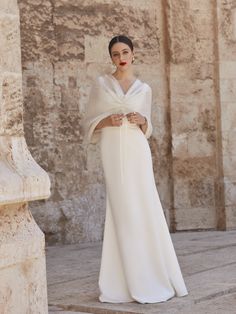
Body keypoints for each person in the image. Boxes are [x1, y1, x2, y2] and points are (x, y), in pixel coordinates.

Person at [83, 35, 188, 304]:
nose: (121, 58)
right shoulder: (101, 84)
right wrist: (107, 119)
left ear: (133, 54)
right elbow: (89, 122)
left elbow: (147, 125)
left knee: (143, 205)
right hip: (111, 149)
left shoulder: (144, 88)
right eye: (116, 54)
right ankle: (121, 283)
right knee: (121, 209)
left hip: (137, 150)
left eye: (125, 52)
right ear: (111, 58)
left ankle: (151, 276)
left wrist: (143, 121)